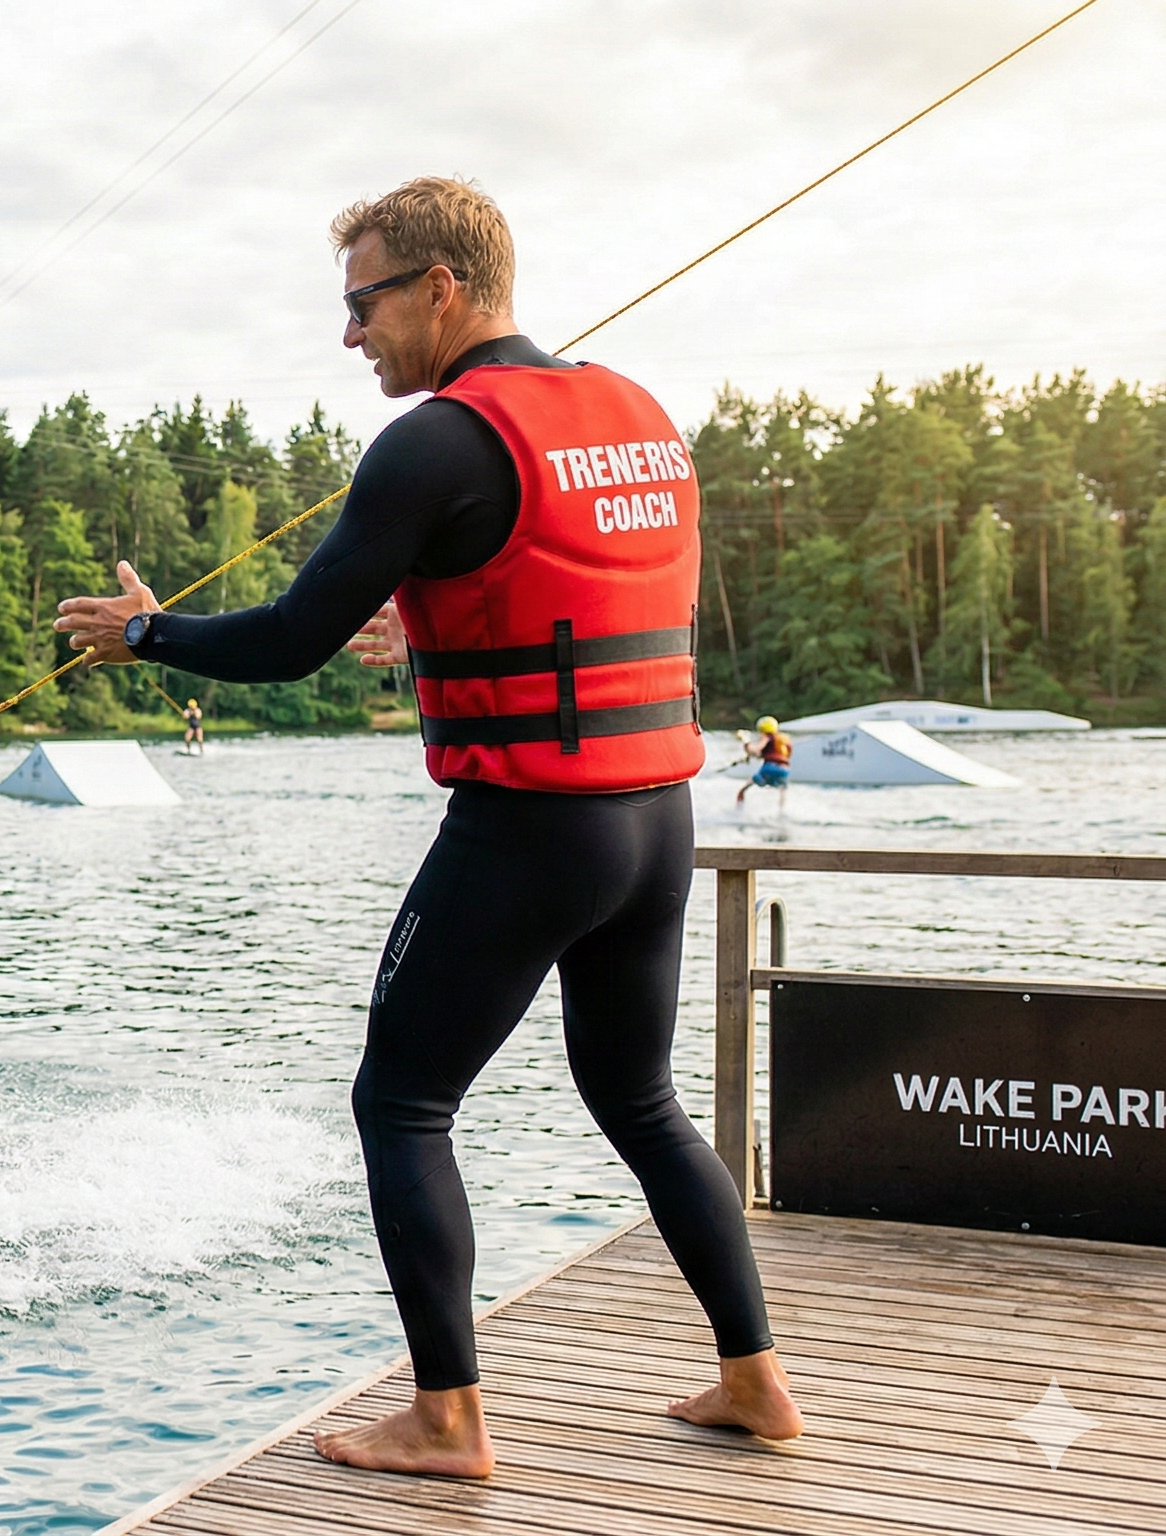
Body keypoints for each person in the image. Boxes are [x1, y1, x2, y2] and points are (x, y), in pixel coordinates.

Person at [55, 177, 802, 1477]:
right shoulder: (641, 415)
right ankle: (757, 1382)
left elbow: (291, 640)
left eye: (365, 303)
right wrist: (442, 623)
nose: (352, 336)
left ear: (442, 288)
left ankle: (448, 1418)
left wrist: (146, 634)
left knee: (402, 1102)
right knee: (640, 1100)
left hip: (533, 828)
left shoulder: (438, 440)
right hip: (657, 824)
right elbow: (580, 579)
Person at [737, 716, 791, 807]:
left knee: (744, 788)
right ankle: (781, 813)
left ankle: (738, 809)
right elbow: (780, 756)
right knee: (782, 791)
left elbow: (756, 750)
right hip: (784, 770)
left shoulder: (767, 736)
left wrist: (746, 742)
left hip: (769, 768)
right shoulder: (783, 740)